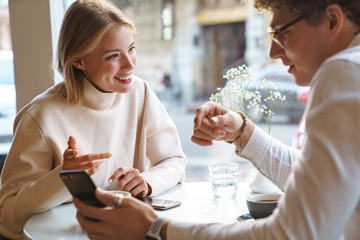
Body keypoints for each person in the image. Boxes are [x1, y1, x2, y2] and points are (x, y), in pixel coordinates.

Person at [73, 0, 360, 239]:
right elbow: (320, 182)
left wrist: (155, 227)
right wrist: (242, 132)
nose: (273, 52)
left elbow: (291, 233)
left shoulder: (344, 71)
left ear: (333, 20)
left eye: (281, 33)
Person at [0, 0, 186, 239]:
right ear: (79, 61)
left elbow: (174, 161)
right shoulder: (40, 116)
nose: (130, 64)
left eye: (131, 49)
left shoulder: (141, 93)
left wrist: (146, 181)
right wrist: (63, 177)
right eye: (113, 56)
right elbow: (8, 215)